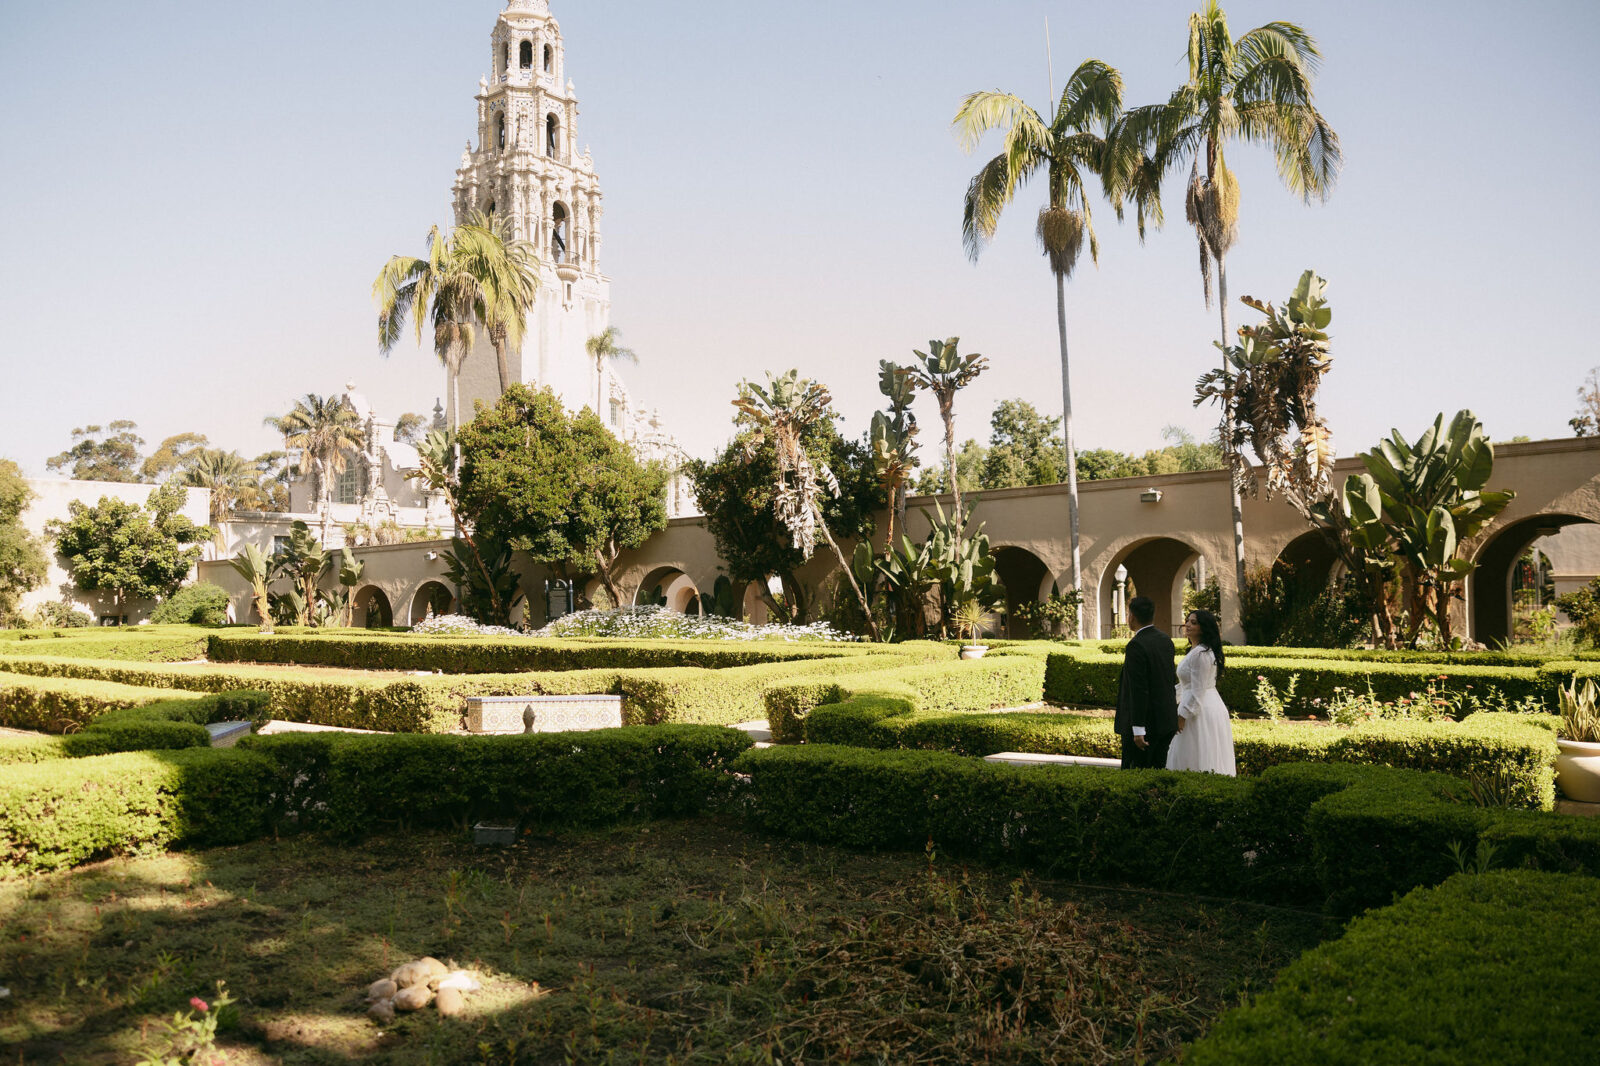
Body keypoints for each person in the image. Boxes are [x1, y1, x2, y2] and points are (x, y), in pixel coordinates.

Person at [1166, 609, 1237, 776]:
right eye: (1188, 621)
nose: (1188, 625)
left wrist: (1182, 716)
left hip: (1200, 710)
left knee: (1196, 753)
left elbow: (1197, 691)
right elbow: (1186, 686)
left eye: (1194, 622)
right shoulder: (1195, 651)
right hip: (1197, 703)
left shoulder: (1201, 654)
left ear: (1204, 628)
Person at [1115, 595, 1178, 769]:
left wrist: (1138, 729)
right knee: (1158, 774)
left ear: (1132, 617)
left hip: (1145, 727)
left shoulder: (1136, 645)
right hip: (1165, 722)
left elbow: (1138, 690)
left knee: (1135, 776)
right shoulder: (1165, 640)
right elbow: (1169, 681)